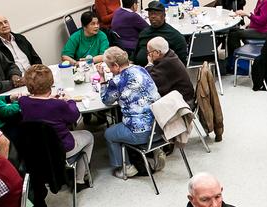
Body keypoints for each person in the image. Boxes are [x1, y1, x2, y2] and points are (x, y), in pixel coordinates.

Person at [18, 64, 95, 190]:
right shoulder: (58, 105)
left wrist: (50, 100)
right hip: (62, 149)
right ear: (51, 83)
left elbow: (38, 103)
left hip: (36, 149)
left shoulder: (23, 102)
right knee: (88, 135)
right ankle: (80, 179)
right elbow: (74, 117)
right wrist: (69, 101)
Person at [98, 47, 161, 179]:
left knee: (109, 133)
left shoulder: (117, 81)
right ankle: (156, 151)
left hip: (141, 132)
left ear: (116, 65)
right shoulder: (140, 68)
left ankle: (126, 168)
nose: (109, 70)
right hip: (160, 126)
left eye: (110, 67)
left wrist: (103, 78)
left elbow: (107, 100)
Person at [226, 0, 267, 73]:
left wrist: (246, 14)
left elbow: (261, 21)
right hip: (260, 28)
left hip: (264, 32)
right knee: (234, 32)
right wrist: (249, 24)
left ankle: (236, 63)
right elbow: (258, 16)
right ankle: (236, 61)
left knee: (234, 34)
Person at [134, 0, 188, 65]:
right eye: (150, 14)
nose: (153, 16)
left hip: (163, 73)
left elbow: (181, 63)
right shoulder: (144, 33)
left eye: (156, 13)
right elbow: (134, 54)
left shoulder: (174, 36)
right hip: (141, 71)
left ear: (164, 15)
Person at [146, 36, 195, 108]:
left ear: (157, 52)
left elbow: (150, 82)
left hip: (183, 104)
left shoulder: (167, 63)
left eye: (149, 52)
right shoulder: (170, 55)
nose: (148, 55)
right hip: (182, 98)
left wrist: (149, 64)